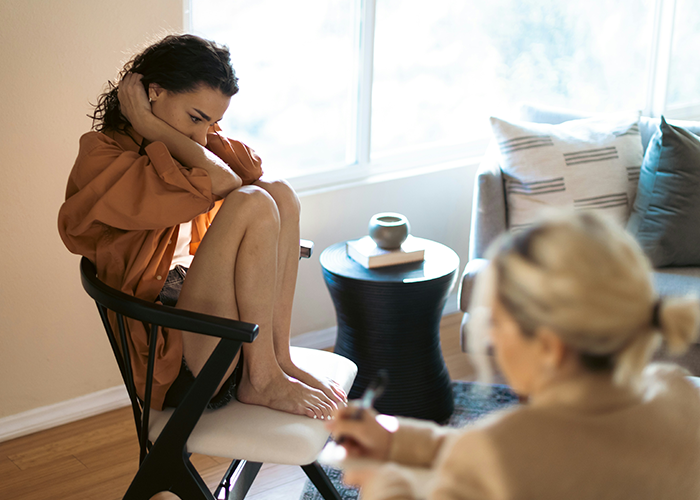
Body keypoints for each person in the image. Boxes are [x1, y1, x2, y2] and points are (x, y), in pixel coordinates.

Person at [58, 34, 346, 419]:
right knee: (254, 201)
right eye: (195, 118)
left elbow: (249, 171)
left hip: (223, 331)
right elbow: (225, 183)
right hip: (176, 356)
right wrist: (148, 123)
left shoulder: (186, 146)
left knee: (278, 192)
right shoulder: (103, 158)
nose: (201, 135)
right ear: (153, 92)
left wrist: (168, 128)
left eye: (212, 123)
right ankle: (260, 380)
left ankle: (278, 360)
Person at [327, 211, 700, 499]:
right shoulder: (681, 397)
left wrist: (377, 476)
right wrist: (396, 439)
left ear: (550, 348)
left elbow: (503, 455)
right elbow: (514, 453)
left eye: (497, 322)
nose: (491, 336)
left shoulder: (502, 452)